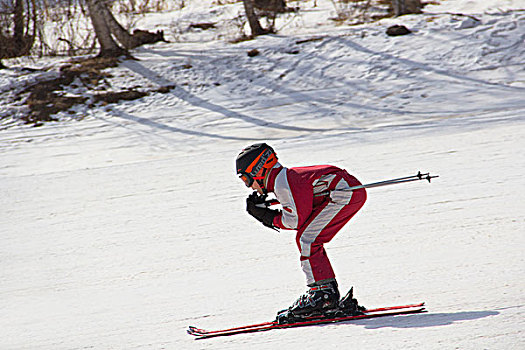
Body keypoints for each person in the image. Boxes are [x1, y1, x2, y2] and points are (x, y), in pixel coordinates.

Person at [236, 143, 367, 320]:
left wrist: (267, 217)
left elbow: (295, 220)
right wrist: (265, 212)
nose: (249, 186)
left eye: (246, 179)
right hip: (344, 191)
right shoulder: (283, 180)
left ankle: (323, 296)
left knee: (308, 239)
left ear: (259, 170)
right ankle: (324, 293)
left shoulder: (283, 183)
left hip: (345, 193)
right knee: (307, 238)